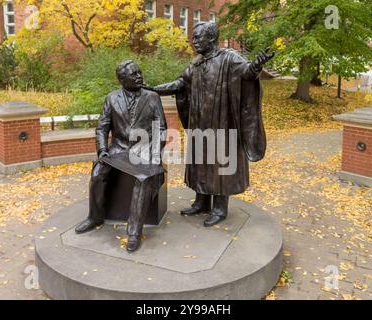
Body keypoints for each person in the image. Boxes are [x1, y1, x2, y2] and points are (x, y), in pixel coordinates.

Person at [152, 22, 274, 227]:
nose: (194, 41)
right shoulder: (196, 63)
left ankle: (219, 207)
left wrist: (256, 66)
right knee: (200, 163)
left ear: (211, 38)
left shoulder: (229, 58)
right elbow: (179, 83)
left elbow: (246, 74)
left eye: (198, 37)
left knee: (220, 166)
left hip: (223, 125)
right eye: (193, 37)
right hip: (200, 124)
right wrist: (152, 89)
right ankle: (201, 202)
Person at [75, 60, 167, 252]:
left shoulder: (152, 97)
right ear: (122, 79)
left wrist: (155, 155)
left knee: (142, 180)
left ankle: (133, 232)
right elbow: (102, 127)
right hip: (118, 149)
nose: (139, 76)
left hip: (144, 151)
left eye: (139, 72)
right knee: (97, 173)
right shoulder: (111, 98)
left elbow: (161, 129)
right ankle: (95, 216)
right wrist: (102, 150)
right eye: (133, 74)